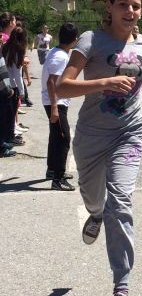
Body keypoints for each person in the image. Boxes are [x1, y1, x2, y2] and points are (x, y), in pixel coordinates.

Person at [56, 0, 142, 296]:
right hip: (92, 136)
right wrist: (104, 82)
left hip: (129, 133)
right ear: (110, 7)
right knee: (96, 200)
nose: (130, 11)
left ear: (141, 11)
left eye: (135, 6)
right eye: (123, 4)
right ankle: (95, 214)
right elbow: (63, 86)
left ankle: (122, 287)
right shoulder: (91, 40)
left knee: (120, 201)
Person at [42, 22, 79, 190]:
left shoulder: (57, 52)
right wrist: (55, 108)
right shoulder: (60, 57)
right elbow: (51, 82)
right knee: (64, 138)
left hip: (55, 100)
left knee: (56, 136)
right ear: (74, 40)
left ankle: (52, 170)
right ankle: (58, 178)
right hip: (55, 102)